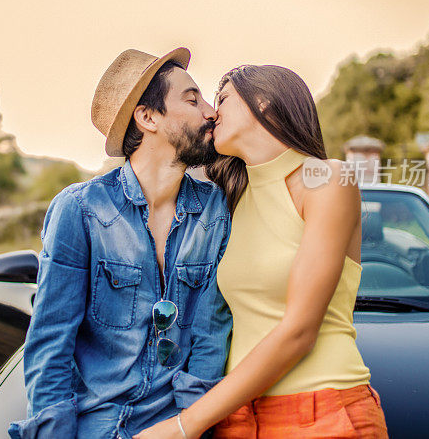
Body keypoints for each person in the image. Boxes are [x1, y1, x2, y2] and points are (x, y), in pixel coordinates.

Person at [135, 64, 388, 438]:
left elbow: (299, 331)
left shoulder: (327, 179)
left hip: (322, 411)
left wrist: (184, 426)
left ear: (264, 102)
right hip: (234, 419)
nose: (212, 112)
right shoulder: (227, 202)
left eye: (222, 99)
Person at [8, 47, 233, 439]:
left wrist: (188, 429)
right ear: (147, 117)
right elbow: (50, 340)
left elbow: (210, 335)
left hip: (175, 427)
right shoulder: (80, 209)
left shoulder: (214, 210)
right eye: (192, 99)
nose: (211, 111)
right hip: (96, 426)